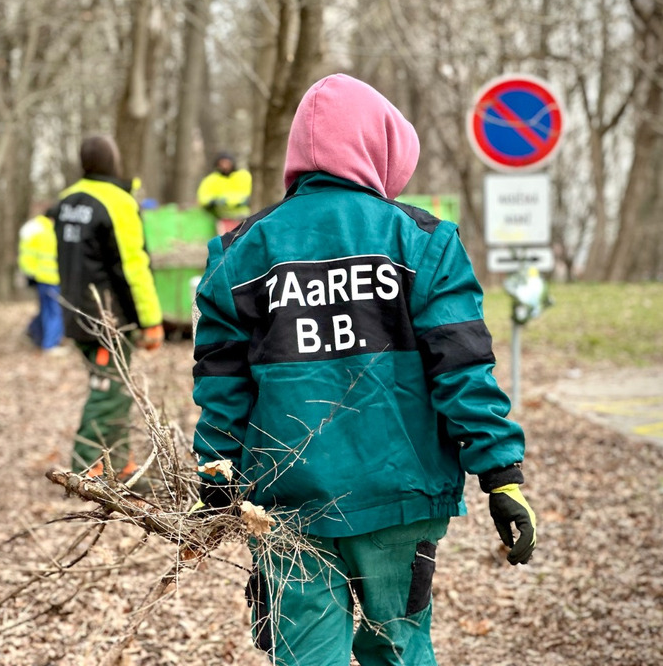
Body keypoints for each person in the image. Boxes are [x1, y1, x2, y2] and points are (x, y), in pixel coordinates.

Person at [191, 74, 536, 665]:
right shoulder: (423, 242)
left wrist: (215, 472)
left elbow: (221, 382)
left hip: (287, 505)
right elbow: (463, 369)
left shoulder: (241, 251)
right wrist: (501, 475)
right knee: (399, 651)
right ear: (381, 147)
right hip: (399, 497)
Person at [51, 135, 164, 478]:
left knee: (114, 388)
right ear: (113, 161)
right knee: (108, 392)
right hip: (106, 318)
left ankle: (120, 464)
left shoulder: (66, 201)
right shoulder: (117, 202)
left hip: (75, 312)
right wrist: (151, 320)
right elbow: (133, 267)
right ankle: (87, 468)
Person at [17, 206, 65, 352]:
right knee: (55, 312)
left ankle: (35, 334)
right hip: (52, 278)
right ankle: (50, 344)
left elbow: (27, 255)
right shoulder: (48, 232)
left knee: (46, 310)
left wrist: (31, 274)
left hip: (41, 278)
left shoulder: (35, 229)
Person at [196, 151, 252, 230]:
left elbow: (252, 192)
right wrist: (213, 201)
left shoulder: (244, 176)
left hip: (245, 216)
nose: (225, 166)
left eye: (227, 163)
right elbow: (203, 197)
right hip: (222, 217)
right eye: (222, 163)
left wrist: (246, 201)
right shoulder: (211, 179)